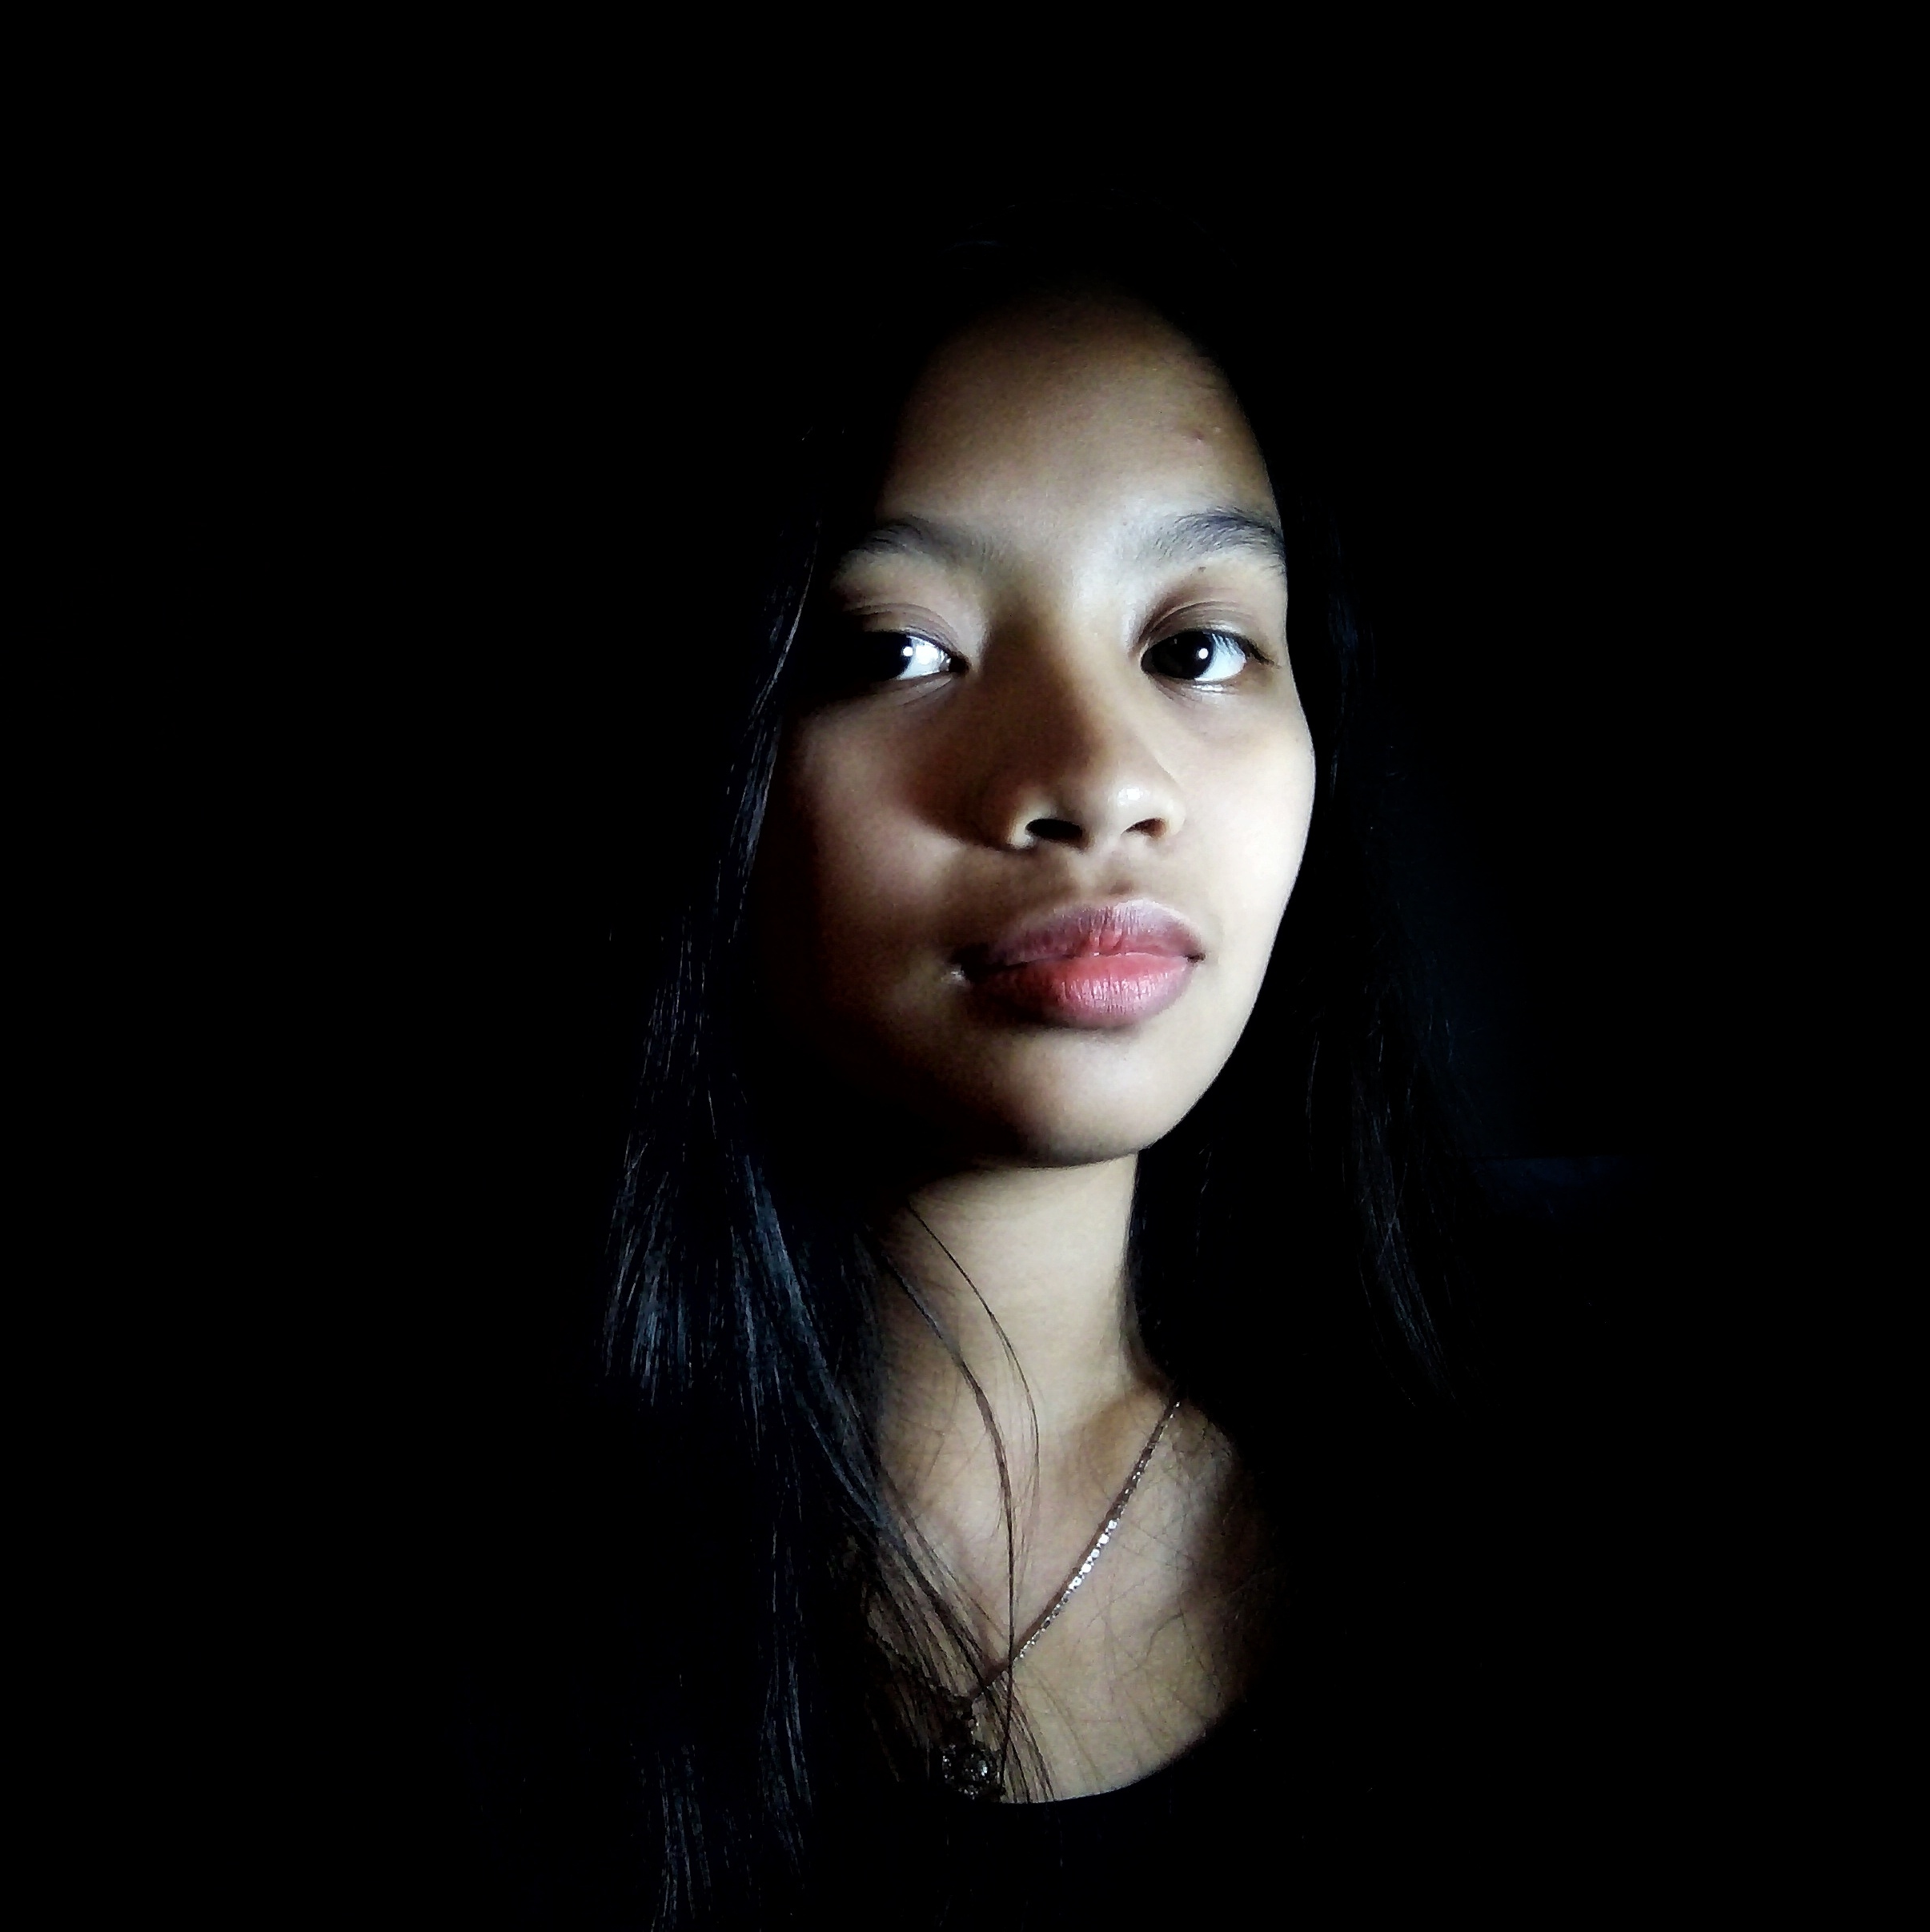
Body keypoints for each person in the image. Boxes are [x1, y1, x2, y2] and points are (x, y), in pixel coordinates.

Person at [451, 209, 1591, 1926]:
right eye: (894, 650)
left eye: (1196, 644)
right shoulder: (469, 1600)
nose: (1091, 775)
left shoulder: (1562, 1537)